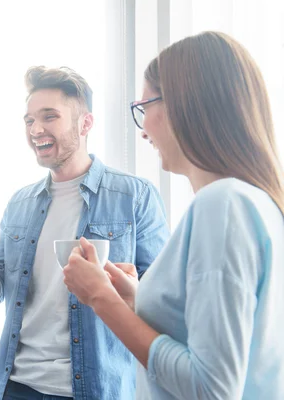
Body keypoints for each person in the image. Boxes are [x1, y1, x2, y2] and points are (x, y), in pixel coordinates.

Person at [63, 31, 284, 399]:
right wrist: (137, 299)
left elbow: (210, 388)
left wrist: (101, 297)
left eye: (144, 106)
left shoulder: (223, 204)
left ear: (184, 104)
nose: (144, 126)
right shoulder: (260, 203)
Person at [0, 66, 170, 399]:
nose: (36, 129)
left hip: (94, 388)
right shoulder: (21, 202)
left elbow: (160, 304)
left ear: (85, 123)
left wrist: (118, 290)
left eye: (50, 117)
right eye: (29, 120)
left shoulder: (134, 196)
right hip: (17, 386)